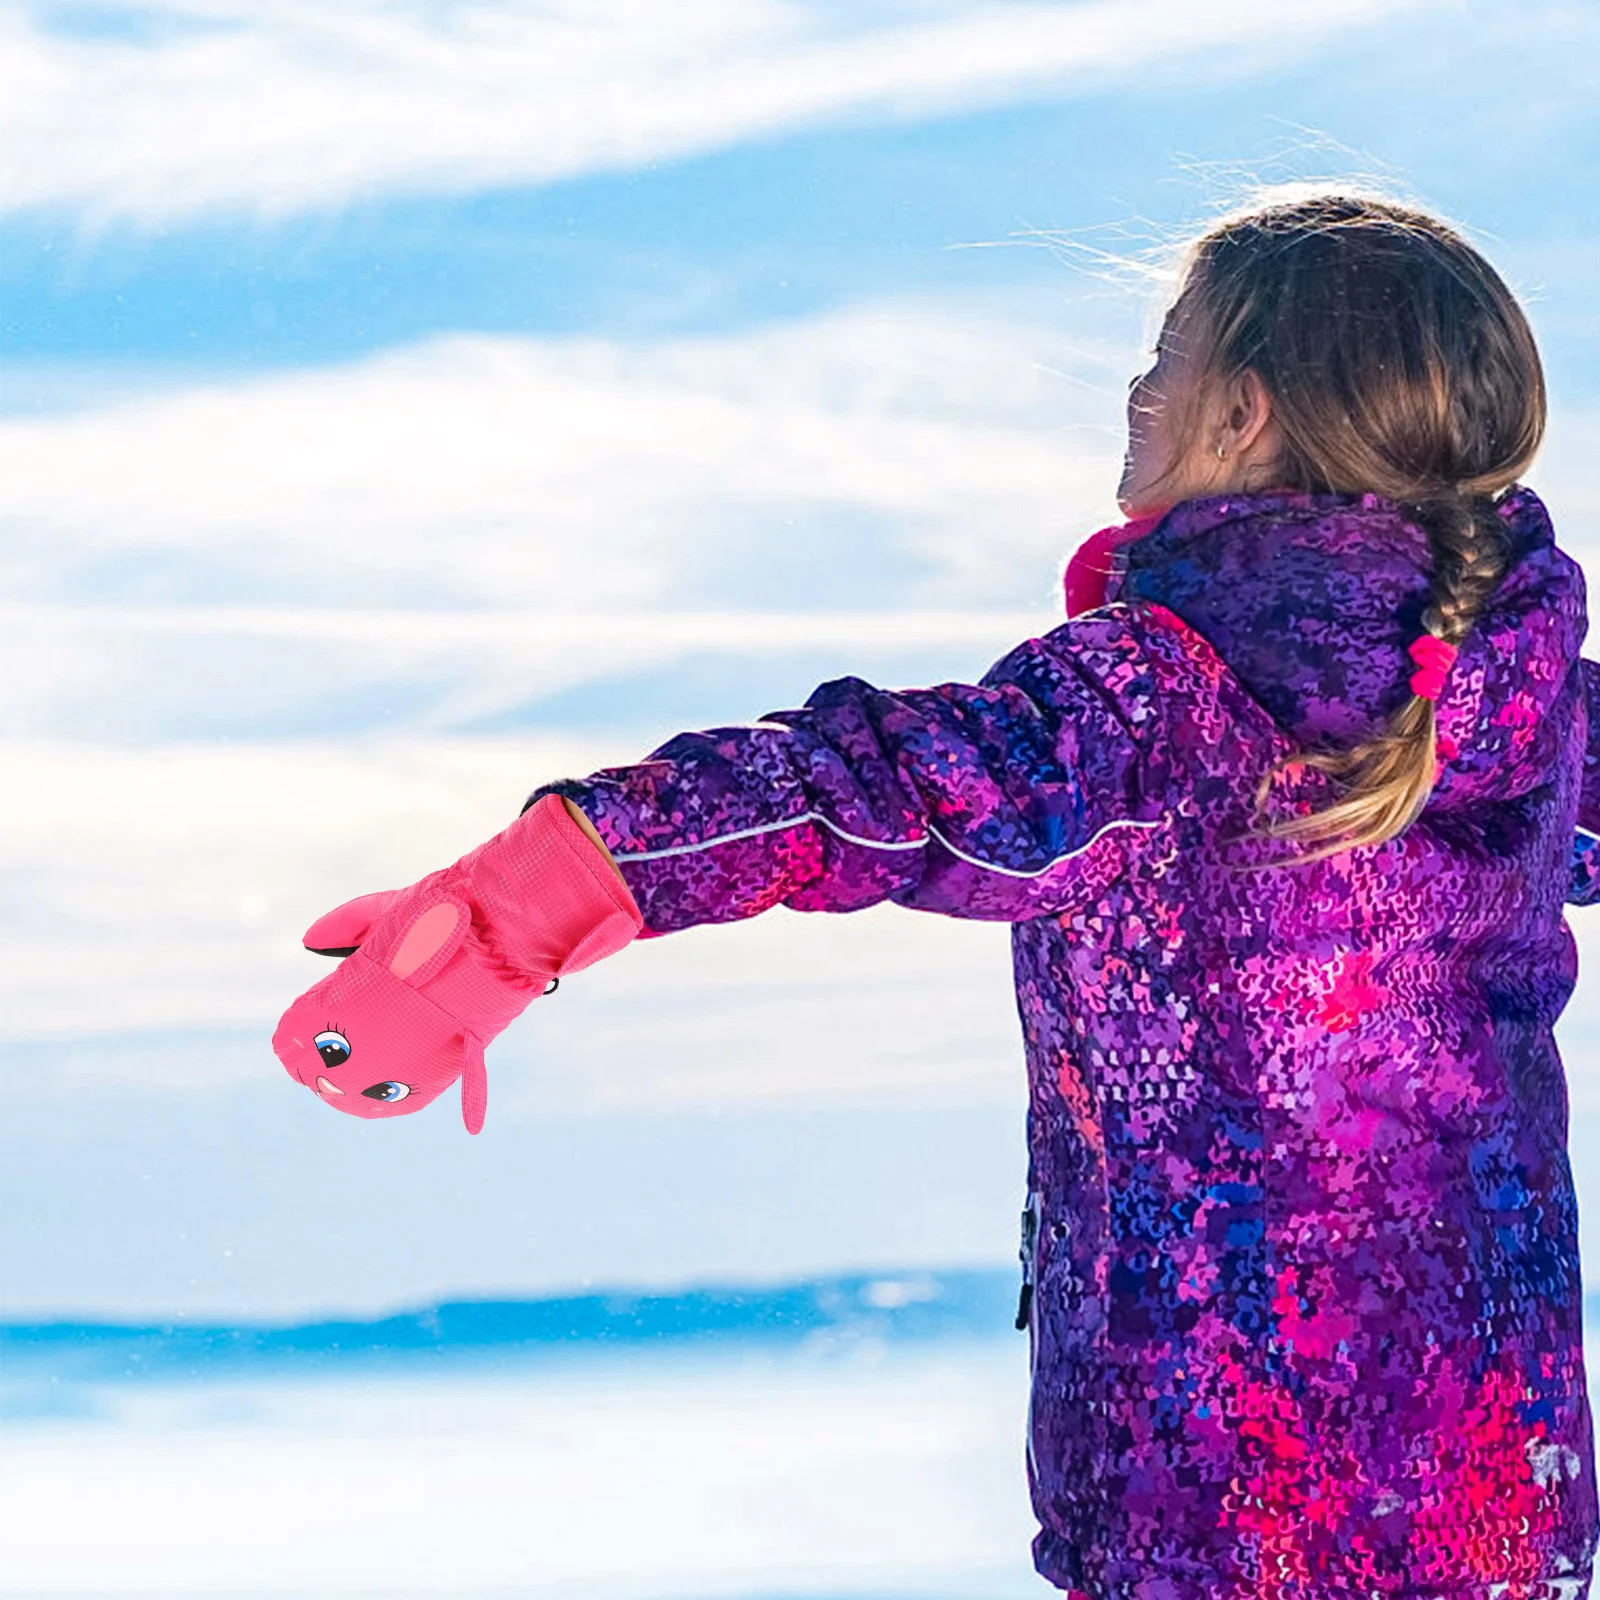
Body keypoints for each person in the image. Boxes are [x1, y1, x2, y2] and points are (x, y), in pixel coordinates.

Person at [273, 192, 1600, 1597]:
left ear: (1243, 418)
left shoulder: (1155, 695)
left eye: (1169, 352)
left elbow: (866, 793)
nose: (1140, 386)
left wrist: (529, 898)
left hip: (1215, 1518)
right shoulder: (1523, 709)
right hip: (1498, 1504)